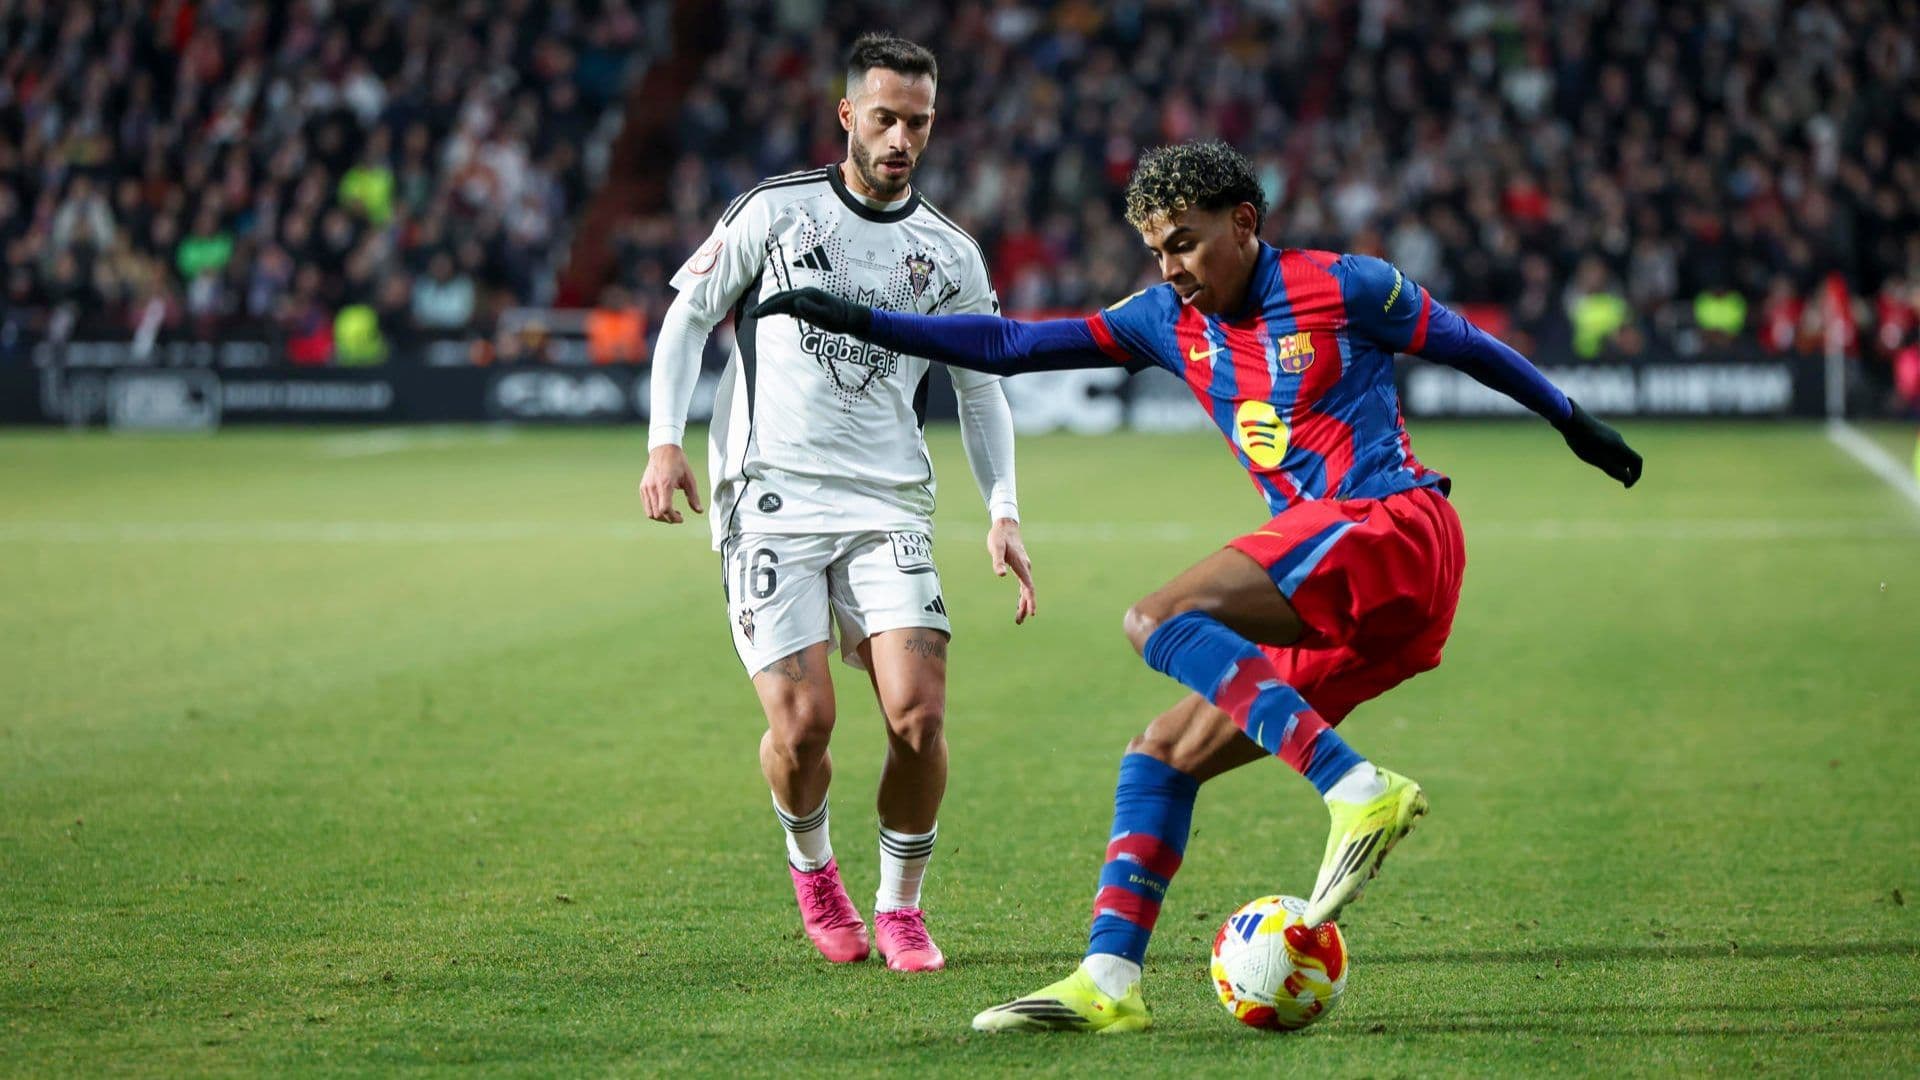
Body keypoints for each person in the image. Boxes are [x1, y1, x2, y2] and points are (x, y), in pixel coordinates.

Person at [751, 140, 1642, 1028]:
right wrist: (866, 320)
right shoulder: (1162, 321)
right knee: (1161, 755)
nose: (1170, 268)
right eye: (1156, 250)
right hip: (1345, 604)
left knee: (1158, 617)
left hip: (1392, 529)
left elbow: (1468, 345)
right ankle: (1109, 980)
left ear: (1243, 223)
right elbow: (1014, 344)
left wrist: (1574, 422)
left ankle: (1354, 788)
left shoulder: (1347, 285)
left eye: (1184, 242)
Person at [640, 33, 1034, 974]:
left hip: (889, 504)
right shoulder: (775, 212)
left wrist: (1004, 508)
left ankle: (901, 909)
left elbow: (981, 387)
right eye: (886, 118)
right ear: (848, 114)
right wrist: (664, 441)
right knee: (804, 724)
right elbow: (688, 317)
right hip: (769, 497)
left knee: (919, 719)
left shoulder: (949, 255)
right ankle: (815, 870)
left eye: (919, 123)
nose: (902, 139)